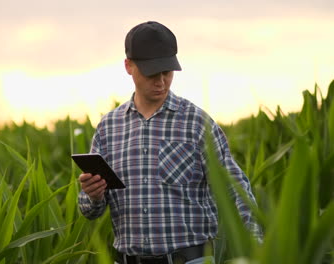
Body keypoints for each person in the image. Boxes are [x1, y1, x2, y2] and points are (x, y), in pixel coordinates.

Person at [77, 21, 261, 264]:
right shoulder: (108, 128)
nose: (161, 81)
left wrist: (258, 247)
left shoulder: (197, 124)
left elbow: (234, 189)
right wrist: (93, 196)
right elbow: (90, 211)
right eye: (152, 73)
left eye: (167, 72)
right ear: (128, 66)